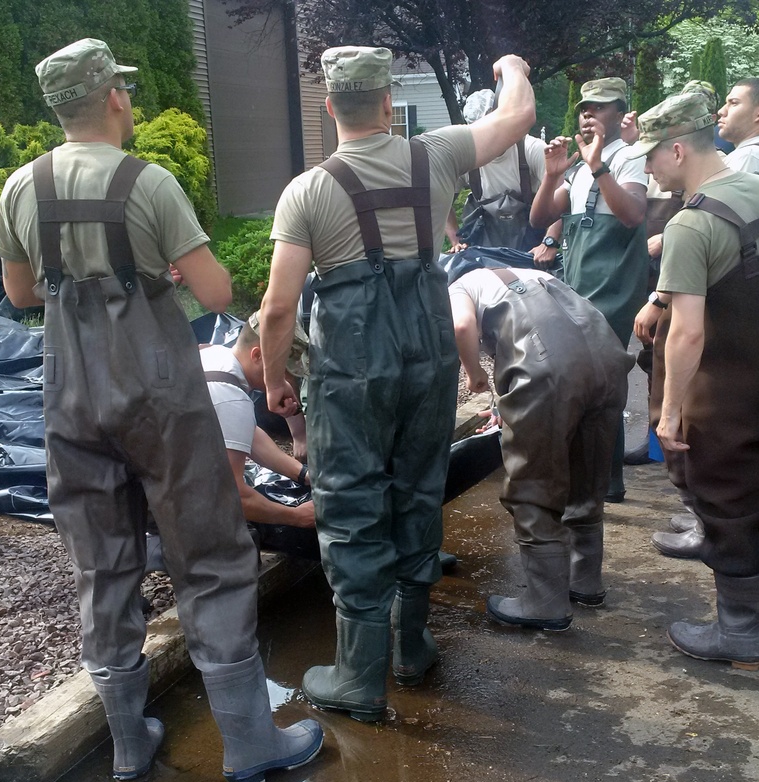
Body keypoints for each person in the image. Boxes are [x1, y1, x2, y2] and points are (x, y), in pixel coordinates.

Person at [0, 37, 322, 782]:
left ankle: (130, 744)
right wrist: (159, 269)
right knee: (207, 554)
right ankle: (247, 744)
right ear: (111, 96)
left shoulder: (22, 186)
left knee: (102, 565)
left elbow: (16, 296)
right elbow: (212, 296)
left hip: (72, 399)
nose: (130, 102)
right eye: (126, 92)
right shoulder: (148, 182)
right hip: (160, 401)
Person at [258, 46, 535, 722]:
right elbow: (518, 116)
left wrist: (273, 381)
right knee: (416, 490)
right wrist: (511, 69)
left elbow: (276, 309)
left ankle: (360, 675)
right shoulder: (435, 155)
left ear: (330, 108)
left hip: (350, 376)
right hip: (426, 362)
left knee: (351, 510)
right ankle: (412, 649)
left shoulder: (309, 190)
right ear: (389, 103)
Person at [630, 92, 759, 671]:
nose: (649, 169)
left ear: (678, 149)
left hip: (727, 394)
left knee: (729, 507)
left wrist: (669, 413)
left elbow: (686, 335)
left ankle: (738, 637)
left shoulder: (693, 221)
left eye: (652, 157)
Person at [449, 267, 633, 629]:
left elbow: (461, 327)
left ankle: (545, 602)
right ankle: (585, 581)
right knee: (588, 471)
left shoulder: (459, 286)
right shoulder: (531, 275)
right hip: (608, 360)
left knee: (533, 480)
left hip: (548, 372)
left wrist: (473, 373)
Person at [529, 76, 648, 503]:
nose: (589, 114)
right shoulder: (579, 167)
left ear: (620, 112)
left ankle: (604, 480)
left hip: (614, 291)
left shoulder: (630, 157)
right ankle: (596, 476)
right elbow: (541, 217)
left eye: (600, 107)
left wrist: (599, 165)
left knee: (602, 383)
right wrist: (551, 175)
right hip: (580, 288)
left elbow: (634, 214)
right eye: (585, 107)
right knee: (586, 382)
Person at [200, 314, 315, 530]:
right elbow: (234, 495)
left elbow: (247, 435)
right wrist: (296, 516)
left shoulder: (214, 355)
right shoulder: (231, 397)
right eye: (283, 370)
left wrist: (303, 475)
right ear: (258, 355)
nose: (287, 379)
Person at [446, 89, 553, 264]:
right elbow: (440, 202)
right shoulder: (466, 160)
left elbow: (561, 199)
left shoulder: (532, 149)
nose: (484, 137)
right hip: (485, 254)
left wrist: (549, 242)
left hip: (533, 251)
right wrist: (455, 240)